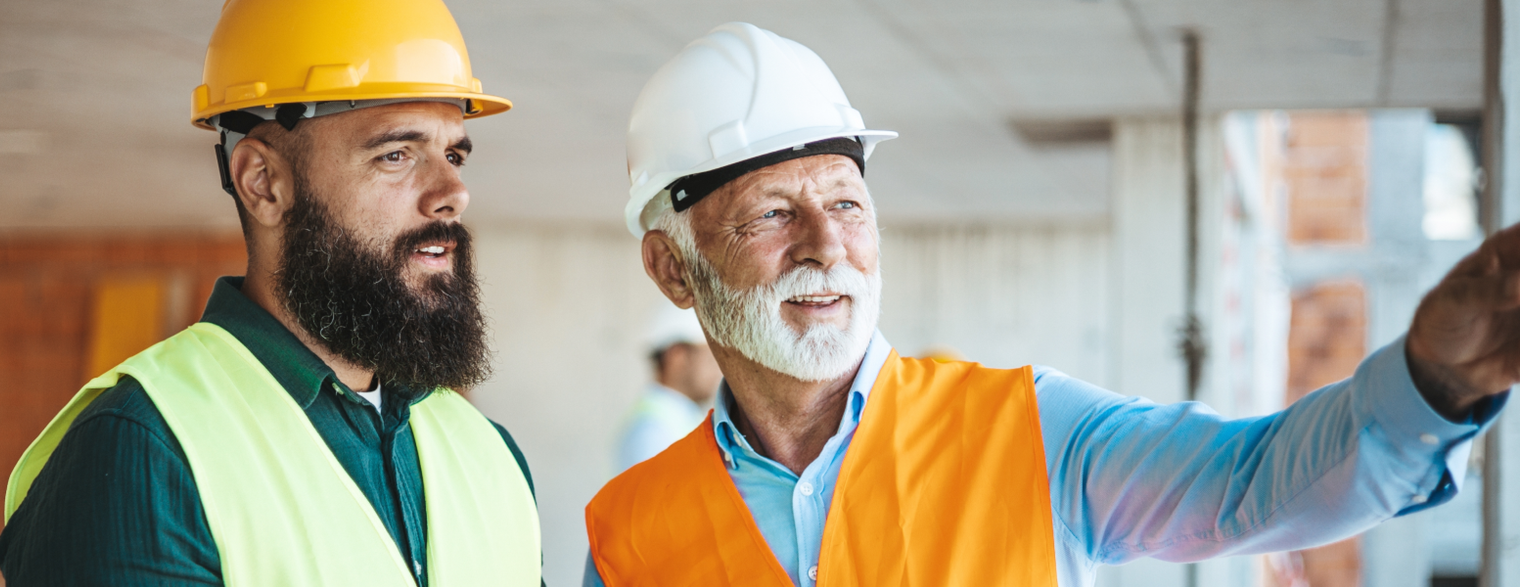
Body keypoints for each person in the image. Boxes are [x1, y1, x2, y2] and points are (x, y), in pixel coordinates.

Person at [583, 23, 1510, 587]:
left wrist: (1431, 383)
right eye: (774, 215)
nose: (828, 246)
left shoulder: (1027, 431)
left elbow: (1253, 481)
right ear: (673, 269)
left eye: (848, 203)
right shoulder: (628, 532)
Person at [0, 0, 542, 585]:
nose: (453, 192)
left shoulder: (489, 454)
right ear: (263, 183)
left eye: (454, 154)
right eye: (396, 154)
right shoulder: (146, 450)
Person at [615, 304, 722, 472]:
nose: (719, 371)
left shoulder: (677, 418)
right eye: (710, 359)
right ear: (677, 357)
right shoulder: (653, 431)